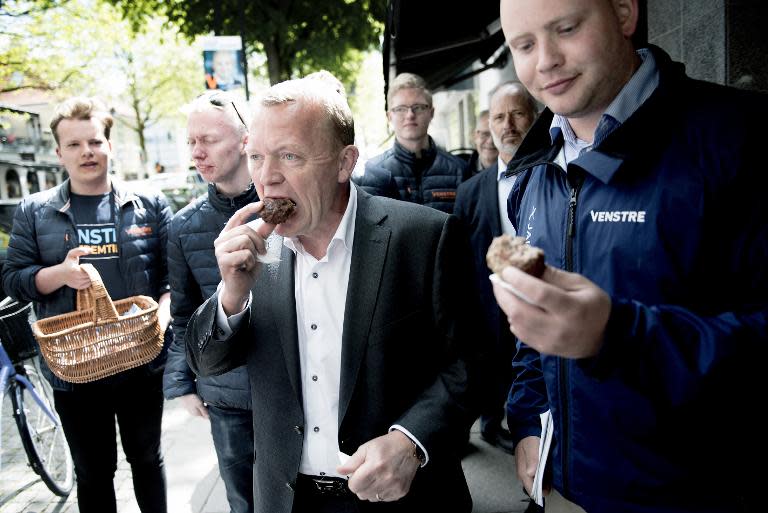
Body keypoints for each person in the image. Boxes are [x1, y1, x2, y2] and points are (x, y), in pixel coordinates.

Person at [494, 1, 767, 512]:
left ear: (623, 12)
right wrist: (528, 420)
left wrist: (617, 335)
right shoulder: (531, 174)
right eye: (524, 45)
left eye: (567, 29)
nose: (546, 60)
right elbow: (534, 331)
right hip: (560, 496)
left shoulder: (742, 137)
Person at [185, 74, 483, 513]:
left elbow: (473, 364)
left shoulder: (424, 236)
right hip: (288, 499)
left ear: (345, 163)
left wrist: (411, 441)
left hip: (407, 497)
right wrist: (231, 294)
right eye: (256, 157)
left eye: (290, 156)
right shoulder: (251, 252)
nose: (267, 178)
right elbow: (206, 363)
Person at [1, 97, 172, 513]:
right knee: (94, 472)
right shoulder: (34, 212)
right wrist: (58, 274)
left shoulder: (149, 204)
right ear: (59, 153)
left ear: (109, 145)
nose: (87, 152)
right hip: (74, 369)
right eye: (74, 145)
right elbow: (12, 280)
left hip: (140, 362)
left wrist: (162, 320)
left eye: (94, 141)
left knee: (147, 459)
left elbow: (172, 280)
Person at [163, 90, 257, 513]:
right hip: (226, 396)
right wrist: (182, 383)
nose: (197, 153)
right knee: (242, 500)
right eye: (191, 142)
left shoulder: (286, 207)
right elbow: (183, 315)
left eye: (209, 140)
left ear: (245, 139)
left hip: (293, 384)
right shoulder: (184, 226)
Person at [454, 82, 537, 454]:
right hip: (489, 302)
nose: (508, 125)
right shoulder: (470, 190)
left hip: (542, 294)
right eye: (499, 117)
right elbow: (458, 254)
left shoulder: (556, 172)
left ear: (534, 119)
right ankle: (493, 424)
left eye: (517, 114)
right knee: (495, 368)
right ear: (489, 127)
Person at [355, 72, 470, 213]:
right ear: (389, 116)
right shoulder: (372, 173)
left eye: (418, 107)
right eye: (401, 109)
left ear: (432, 113)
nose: (410, 115)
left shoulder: (460, 171)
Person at [467, 110, 498, 174]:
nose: (490, 141)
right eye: (484, 134)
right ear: (475, 136)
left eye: (496, 134)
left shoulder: (519, 175)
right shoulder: (460, 172)